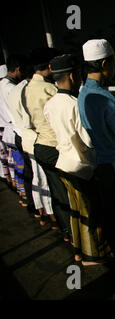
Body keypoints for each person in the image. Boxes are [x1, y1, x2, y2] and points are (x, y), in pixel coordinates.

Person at [78, 39, 115, 278]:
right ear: (105, 63)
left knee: (112, 218)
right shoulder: (102, 97)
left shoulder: (84, 93)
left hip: (101, 164)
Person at [45, 54, 110, 266]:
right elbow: (88, 139)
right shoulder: (73, 104)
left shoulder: (51, 103)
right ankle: (92, 256)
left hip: (63, 162)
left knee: (75, 212)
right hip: (81, 167)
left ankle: (78, 251)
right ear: (73, 76)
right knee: (90, 212)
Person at [25, 47, 72, 240]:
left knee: (55, 191)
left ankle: (66, 232)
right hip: (54, 145)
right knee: (67, 193)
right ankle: (75, 234)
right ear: (50, 66)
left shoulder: (28, 88)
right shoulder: (50, 89)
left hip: (40, 144)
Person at [7, 59, 53, 225]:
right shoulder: (29, 89)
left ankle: (39, 210)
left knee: (33, 175)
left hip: (21, 135)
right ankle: (49, 213)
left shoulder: (14, 90)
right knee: (43, 178)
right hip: (33, 136)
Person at [0, 54, 27, 203]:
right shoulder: (12, 88)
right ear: (17, 69)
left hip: (6, 130)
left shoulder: (2, 84)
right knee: (19, 165)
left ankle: (21, 195)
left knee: (12, 165)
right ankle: (26, 199)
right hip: (13, 129)